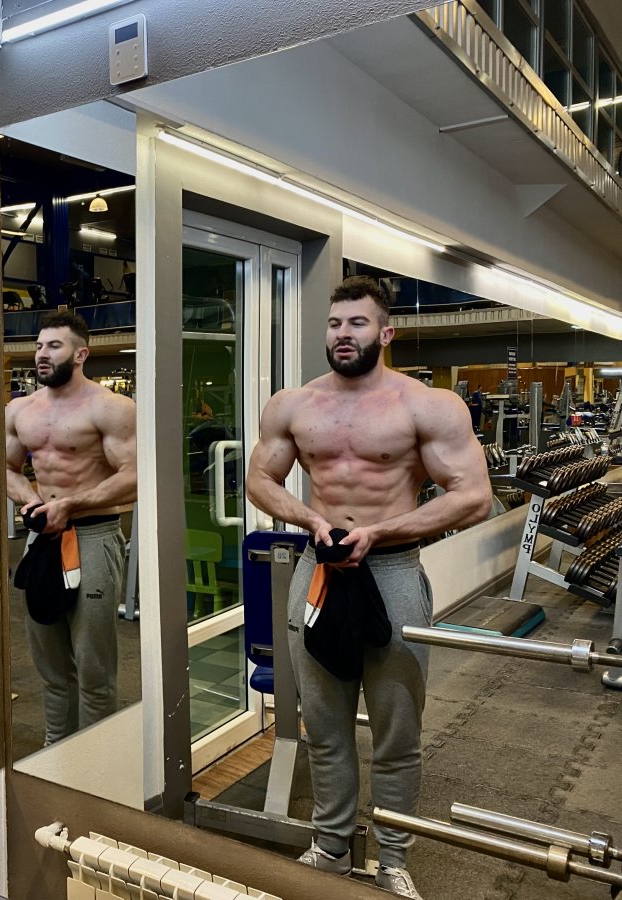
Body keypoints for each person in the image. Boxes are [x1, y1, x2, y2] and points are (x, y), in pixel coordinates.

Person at [245, 275, 491, 900]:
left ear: (385, 333)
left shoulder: (427, 405)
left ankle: (393, 858)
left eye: (357, 323)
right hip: (319, 570)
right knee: (324, 726)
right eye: (335, 323)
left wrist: (380, 531)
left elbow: (474, 497)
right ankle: (330, 847)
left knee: (396, 731)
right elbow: (259, 479)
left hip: (393, 571)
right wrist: (312, 520)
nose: (343, 334)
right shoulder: (293, 404)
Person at [5, 310, 137, 745]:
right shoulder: (20, 410)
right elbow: (6, 468)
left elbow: (135, 476)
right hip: (42, 537)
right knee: (50, 664)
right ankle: (55, 753)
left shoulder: (111, 408)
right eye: (39, 346)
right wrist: (30, 500)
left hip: (93, 535)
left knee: (94, 668)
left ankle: (96, 763)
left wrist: (71, 504)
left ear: (81, 354)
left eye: (54, 346)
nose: (41, 354)